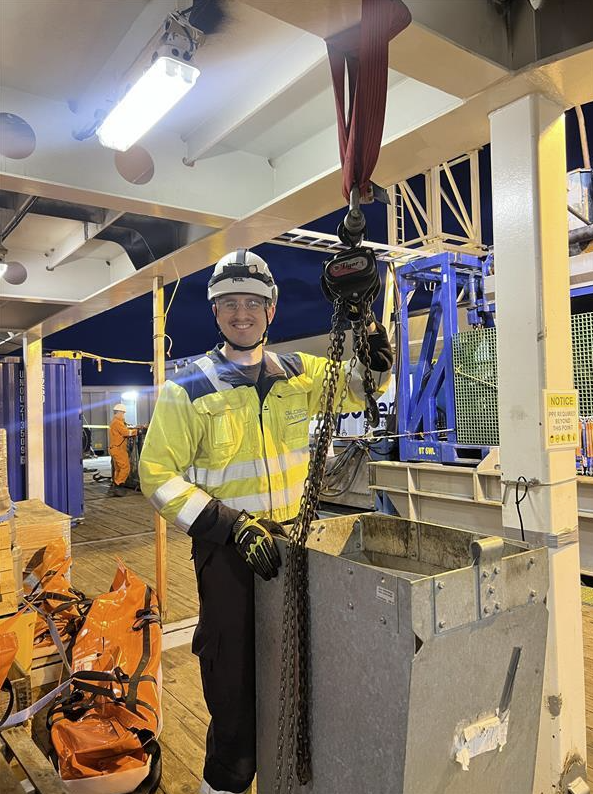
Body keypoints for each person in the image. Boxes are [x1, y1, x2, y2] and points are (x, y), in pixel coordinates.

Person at [138, 249, 393, 794]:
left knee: (300, 677)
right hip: (228, 554)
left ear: (271, 310)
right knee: (232, 692)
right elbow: (156, 476)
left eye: (253, 303)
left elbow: (367, 386)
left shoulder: (300, 374)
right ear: (215, 312)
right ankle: (224, 782)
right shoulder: (188, 388)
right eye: (230, 303)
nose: (242, 313)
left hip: (294, 546)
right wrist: (230, 525)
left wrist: (370, 332)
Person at [108, 403, 139, 497]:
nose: (123, 415)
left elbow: (123, 430)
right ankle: (119, 485)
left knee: (118, 468)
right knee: (125, 467)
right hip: (119, 449)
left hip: (115, 448)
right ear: (118, 412)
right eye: (122, 413)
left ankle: (116, 485)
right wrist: (137, 431)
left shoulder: (115, 422)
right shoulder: (117, 422)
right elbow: (126, 432)